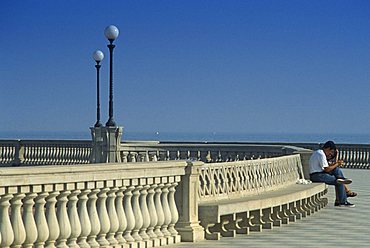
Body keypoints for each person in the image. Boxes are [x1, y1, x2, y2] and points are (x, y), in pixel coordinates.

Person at [309, 140, 355, 207]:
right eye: (331, 152)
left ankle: (340, 198)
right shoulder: (321, 154)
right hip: (317, 176)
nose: (331, 154)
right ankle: (342, 201)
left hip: (318, 174)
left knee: (337, 172)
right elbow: (327, 169)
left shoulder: (319, 152)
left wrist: (336, 161)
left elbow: (330, 167)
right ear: (327, 149)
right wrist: (337, 164)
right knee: (339, 181)